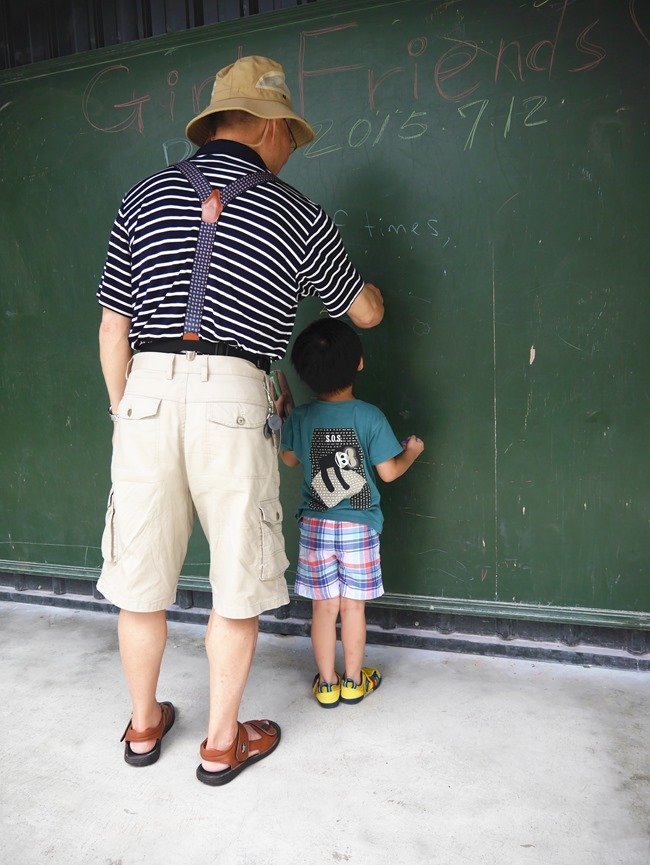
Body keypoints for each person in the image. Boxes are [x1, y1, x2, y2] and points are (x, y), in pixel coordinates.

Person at [96, 55, 384, 786]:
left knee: (141, 581)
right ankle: (221, 744)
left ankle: (141, 726)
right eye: (287, 130)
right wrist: (370, 292)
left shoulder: (142, 196)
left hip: (146, 391)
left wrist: (123, 409)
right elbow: (363, 311)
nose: (290, 144)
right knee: (236, 580)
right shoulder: (296, 210)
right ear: (263, 125)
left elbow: (112, 327)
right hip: (236, 396)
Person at [279, 318, 424, 707]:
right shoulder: (371, 417)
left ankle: (326, 684)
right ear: (358, 363)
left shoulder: (302, 418)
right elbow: (389, 473)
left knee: (323, 608)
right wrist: (411, 450)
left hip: (316, 527)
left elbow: (289, 459)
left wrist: (288, 414)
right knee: (352, 608)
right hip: (359, 529)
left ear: (305, 373)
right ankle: (354, 681)